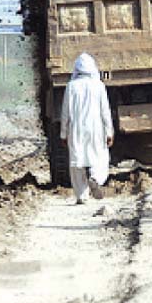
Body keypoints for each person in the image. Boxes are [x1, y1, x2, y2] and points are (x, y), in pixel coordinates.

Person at [60, 52, 114, 204]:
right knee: (100, 156)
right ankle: (96, 178)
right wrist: (109, 131)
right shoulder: (99, 86)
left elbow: (65, 112)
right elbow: (105, 111)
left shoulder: (71, 87)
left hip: (76, 129)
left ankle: (81, 196)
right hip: (96, 128)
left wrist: (63, 134)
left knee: (77, 162)